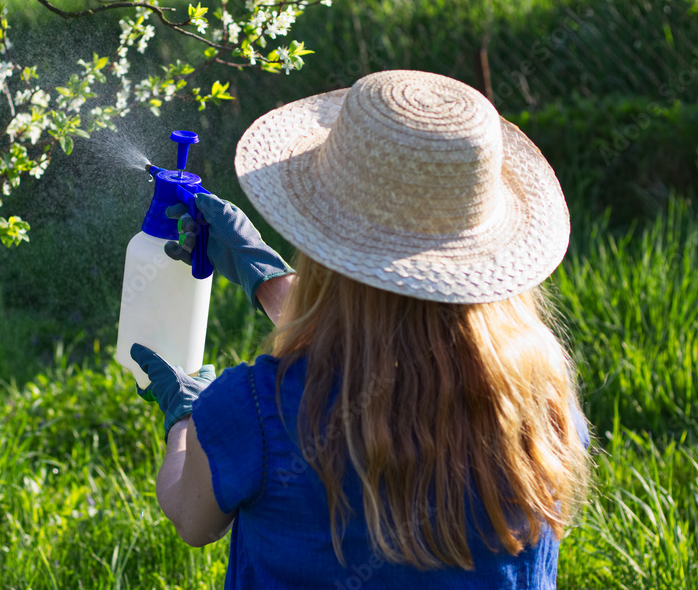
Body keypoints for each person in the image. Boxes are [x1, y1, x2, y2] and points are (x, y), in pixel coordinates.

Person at [130, 70, 592, 588]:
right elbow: (394, 342)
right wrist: (264, 276)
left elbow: (191, 516)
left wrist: (188, 421)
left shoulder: (256, 412)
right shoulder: (541, 404)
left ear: (323, 239)